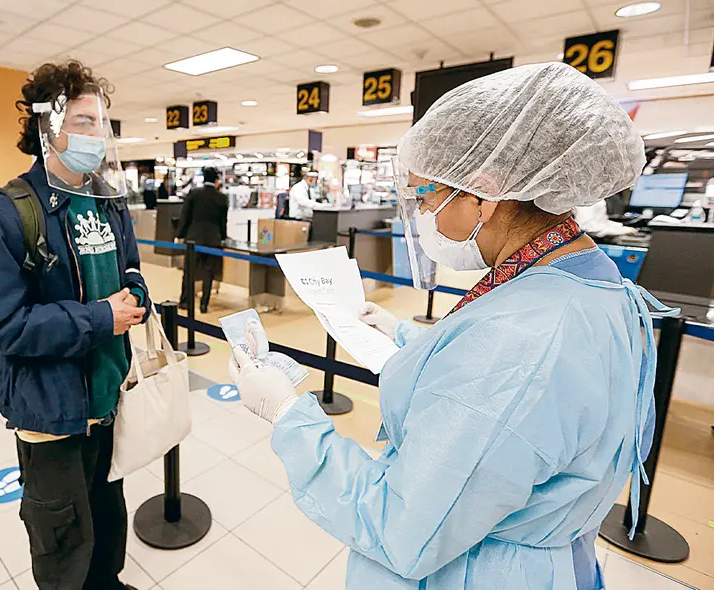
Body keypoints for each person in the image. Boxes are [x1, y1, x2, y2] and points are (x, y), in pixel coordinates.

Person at [228, 62, 672, 590]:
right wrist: (408, 338)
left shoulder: (525, 342)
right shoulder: (581, 279)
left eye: (425, 197)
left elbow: (401, 523)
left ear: (483, 196)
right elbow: (506, 398)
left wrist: (287, 416)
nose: (419, 213)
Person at [0, 60, 149, 590]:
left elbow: (133, 271)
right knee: (62, 533)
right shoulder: (6, 214)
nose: (100, 133)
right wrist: (101, 318)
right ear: (50, 128)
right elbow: (2, 325)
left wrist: (134, 298)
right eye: (85, 120)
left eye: (103, 121)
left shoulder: (109, 201)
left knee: (108, 509)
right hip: (50, 409)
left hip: (109, 396)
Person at [177, 166, 228, 313]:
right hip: (213, 239)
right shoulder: (221, 197)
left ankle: (185, 300)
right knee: (208, 273)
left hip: (194, 238)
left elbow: (185, 216)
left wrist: (180, 234)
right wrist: (222, 237)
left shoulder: (194, 194)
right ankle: (204, 304)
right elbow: (223, 221)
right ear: (216, 180)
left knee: (189, 271)